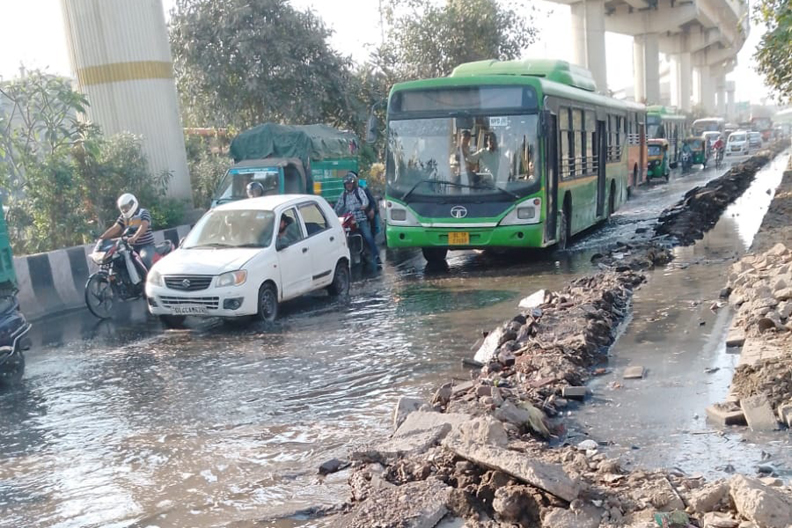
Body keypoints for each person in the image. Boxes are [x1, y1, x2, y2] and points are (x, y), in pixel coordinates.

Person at [334, 173, 381, 269]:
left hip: (361, 219)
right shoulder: (343, 195)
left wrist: (364, 206)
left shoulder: (359, 191)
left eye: (350, 183)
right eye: (347, 184)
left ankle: (376, 257)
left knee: (368, 236)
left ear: (354, 183)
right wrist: (332, 214)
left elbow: (365, 200)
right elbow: (338, 206)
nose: (349, 185)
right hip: (349, 221)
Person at [99, 193, 156, 269]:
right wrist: (102, 238)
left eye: (126, 207)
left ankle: (153, 278)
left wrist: (135, 236)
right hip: (130, 247)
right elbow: (115, 228)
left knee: (145, 257)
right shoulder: (123, 217)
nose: (124, 210)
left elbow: (144, 225)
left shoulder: (143, 212)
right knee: (119, 259)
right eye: (122, 208)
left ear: (133, 204)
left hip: (146, 246)